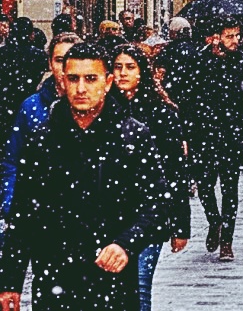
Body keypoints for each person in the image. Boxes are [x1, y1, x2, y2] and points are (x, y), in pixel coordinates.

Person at [0, 42, 169, 311]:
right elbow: (23, 215)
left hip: (112, 279)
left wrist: (125, 244)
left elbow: (158, 204)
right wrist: (10, 281)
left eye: (90, 79)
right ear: (63, 81)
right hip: (55, 277)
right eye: (74, 79)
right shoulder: (43, 139)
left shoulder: (132, 136)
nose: (81, 88)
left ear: (107, 81)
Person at [109, 45, 190, 306]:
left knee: (140, 288)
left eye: (130, 67)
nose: (122, 73)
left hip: (148, 215)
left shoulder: (161, 112)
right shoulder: (102, 109)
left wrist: (179, 225)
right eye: (118, 66)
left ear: (142, 72)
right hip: (110, 216)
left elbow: (176, 172)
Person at [176, 16, 243, 261]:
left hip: (231, 134)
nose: (235, 40)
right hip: (203, 134)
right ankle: (214, 221)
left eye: (237, 36)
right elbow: (187, 99)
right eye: (230, 36)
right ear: (216, 37)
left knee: (230, 189)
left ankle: (227, 241)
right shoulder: (199, 61)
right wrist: (186, 134)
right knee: (205, 186)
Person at [0, 33, 81, 231]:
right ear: (50, 63)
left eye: (72, 59)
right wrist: (11, 205)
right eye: (60, 60)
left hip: (85, 218)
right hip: (41, 217)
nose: (64, 68)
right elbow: (12, 161)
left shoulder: (98, 107)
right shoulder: (31, 107)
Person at [0, 17, 49, 140]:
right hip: (30, 101)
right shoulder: (39, 55)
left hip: (5, 104)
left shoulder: (3, 53)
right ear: (30, 34)